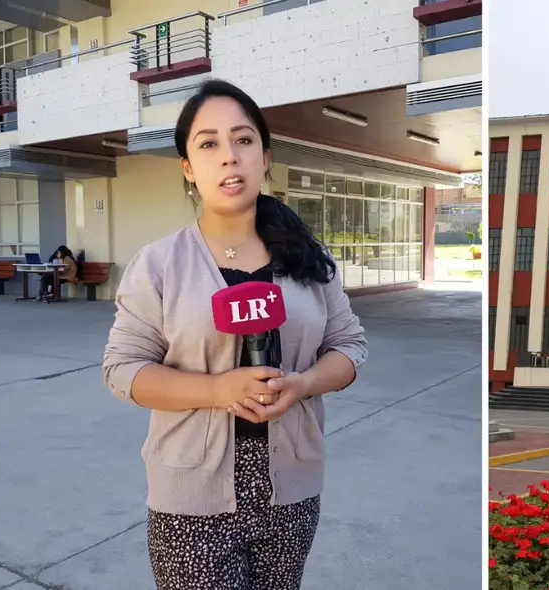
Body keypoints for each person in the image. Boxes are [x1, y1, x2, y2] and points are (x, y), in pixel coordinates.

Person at [102, 79, 368, 590]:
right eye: (209, 144)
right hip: (190, 502)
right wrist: (218, 390)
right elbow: (123, 370)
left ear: (264, 157)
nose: (229, 157)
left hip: (291, 491)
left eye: (243, 140)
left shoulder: (308, 259)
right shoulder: (159, 264)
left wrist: (303, 384)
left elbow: (350, 346)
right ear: (188, 167)